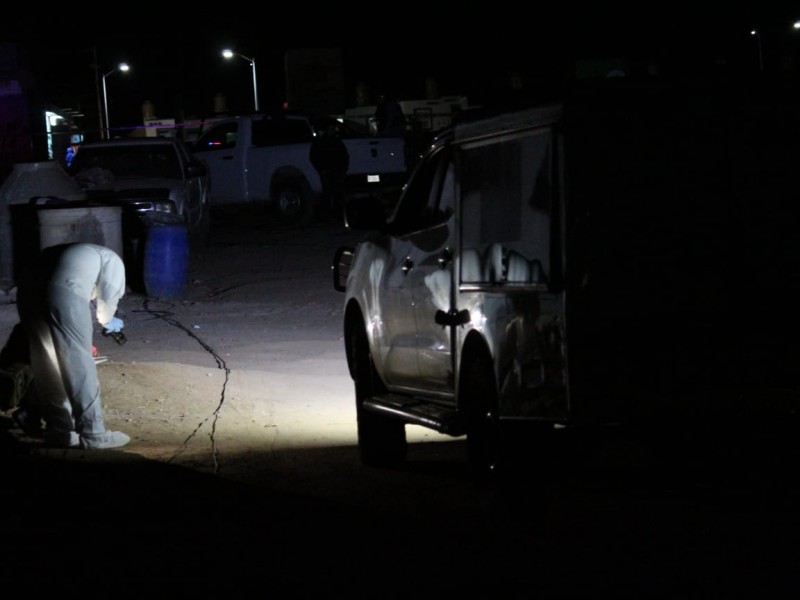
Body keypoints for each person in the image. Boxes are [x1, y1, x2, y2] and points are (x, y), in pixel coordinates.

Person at [15, 242, 131, 449]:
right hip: (65, 289)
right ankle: (94, 433)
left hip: (27, 291)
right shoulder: (113, 260)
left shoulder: (78, 252)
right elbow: (108, 299)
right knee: (79, 361)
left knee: (46, 363)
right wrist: (109, 321)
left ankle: (58, 431)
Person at [309, 121, 350, 220]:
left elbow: (344, 156)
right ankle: (326, 213)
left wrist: (344, 169)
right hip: (327, 171)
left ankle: (338, 214)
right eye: (331, 128)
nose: (333, 130)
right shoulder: (320, 141)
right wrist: (321, 169)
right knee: (328, 192)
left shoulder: (336, 141)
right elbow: (314, 157)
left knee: (337, 193)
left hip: (337, 171)